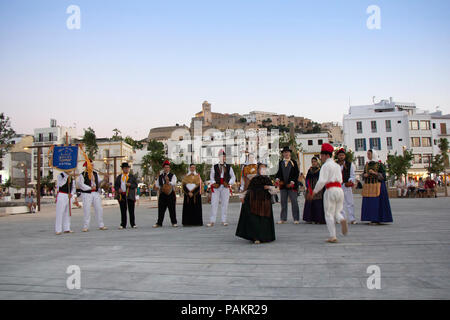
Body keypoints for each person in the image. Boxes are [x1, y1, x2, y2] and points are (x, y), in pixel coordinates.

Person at [307, 143, 348, 243]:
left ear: (326, 155)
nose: (321, 158)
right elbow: (341, 180)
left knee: (329, 214)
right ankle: (342, 219)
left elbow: (321, 181)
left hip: (330, 190)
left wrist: (314, 192)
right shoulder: (337, 166)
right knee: (337, 211)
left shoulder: (325, 166)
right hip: (339, 190)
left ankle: (332, 236)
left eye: (321, 155)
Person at [236, 162, 276, 244]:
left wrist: (269, 187)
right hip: (255, 202)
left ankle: (265, 237)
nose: (263, 170)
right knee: (255, 220)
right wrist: (242, 196)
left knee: (264, 220)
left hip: (265, 203)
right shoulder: (254, 179)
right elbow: (249, 189)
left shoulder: (268, 179)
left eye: (264, 168)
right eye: (261, 168)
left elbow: (274, 190)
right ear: (258, 170)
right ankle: (256, 237)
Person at [361, 150, 393, 225]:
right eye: (367, 154)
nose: (368, 155)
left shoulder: (379, 165)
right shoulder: (367, 165)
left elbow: (384, 177)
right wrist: (364, 175)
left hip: (378, 186)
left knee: (376, 203)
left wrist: (375, 173)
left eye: (369, 154)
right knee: (370, 202)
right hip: (369, 186)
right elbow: (364, 174)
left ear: (373, 154)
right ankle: (370, 218)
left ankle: (377, 218)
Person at [77, 159, 108, 232]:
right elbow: (81, 185)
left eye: (92, 165)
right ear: (87, 166)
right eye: (90, 165)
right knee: (87, 210)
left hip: (96, 193)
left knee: (99, 209)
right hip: (87, 194)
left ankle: (101, 225)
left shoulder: (96, 174)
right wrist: (90, 188)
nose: (92, 166)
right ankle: (85, 226)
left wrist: (104, 179)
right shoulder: (82, 175)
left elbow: (99, 183)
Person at [207, 149, 236, 227]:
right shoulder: (214, 166)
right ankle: (212, 221)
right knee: (214, 203)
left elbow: (233, 177)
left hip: (225, 186)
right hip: (216, 186)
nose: (222, 158)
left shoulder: (229, 167)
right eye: (221, 156)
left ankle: (224, 220)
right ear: (218, 157)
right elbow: (211, 177)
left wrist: (229, 183)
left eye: (223, 156)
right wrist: (213, 183)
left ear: (225, 157)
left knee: (225, 204)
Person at [275, 146, 300, 224]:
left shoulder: (293, 162)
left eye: (287, 152)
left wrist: (292, 181)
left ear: (290, 153)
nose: (286, 153)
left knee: (294, 202)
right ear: (283, 154)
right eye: (285, 152)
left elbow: (296, 173)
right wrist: (277, 179)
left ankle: (296, 219)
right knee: (283, 202)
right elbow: (278, 173)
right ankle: (283, 218)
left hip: (291, 185)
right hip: (283, 186)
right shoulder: (280, 162)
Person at [153, 160, 178, 228]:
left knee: (172, 209)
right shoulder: (160, 176)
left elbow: (174, 183)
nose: (166, 168)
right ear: (163, 168)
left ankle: (174, 222)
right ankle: (159, 223)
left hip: (171, 194)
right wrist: (156, 186)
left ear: (169, 168)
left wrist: (168, 182)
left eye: (168, 167)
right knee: (161, 209)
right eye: (165, 167)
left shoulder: (172, 175)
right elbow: (157, 185)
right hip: (162, 194)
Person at [114, 162, 138, 229]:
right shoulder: (119, 177)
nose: (126, 169)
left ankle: (133, 224)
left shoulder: (132, 177)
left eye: (127, 168)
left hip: (130, 195)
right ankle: (123, 224)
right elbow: (116, 185)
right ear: (122, 169)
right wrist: (118, 189)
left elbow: (136, 185)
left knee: (131, 210)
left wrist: (130, 185)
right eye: (125, 168)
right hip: (122, 195)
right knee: (123, 210)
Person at [336, 148, 357, 224]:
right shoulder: (335, 165)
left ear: (345, 156)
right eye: (340, 155)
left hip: (346, 185)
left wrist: (350, 181)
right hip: (338, 186)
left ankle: (352, 218)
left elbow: (352, 175)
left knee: (350, 202)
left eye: (342, 155)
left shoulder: (350, 164)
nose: (341, 157)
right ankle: (342, 219)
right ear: (337, 156)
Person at [302, 157, 326, 224]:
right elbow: (307, 180)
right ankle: (309, 218)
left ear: (317, 162)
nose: (313, 163)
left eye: (315, 161)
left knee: (318, 204)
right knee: (309, 203)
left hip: (318, 189)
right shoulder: (310, 170)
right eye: (312, 161)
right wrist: (308, 188)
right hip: (310, 188)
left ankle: (318, 219)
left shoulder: (320, 170)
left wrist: (317, 189)